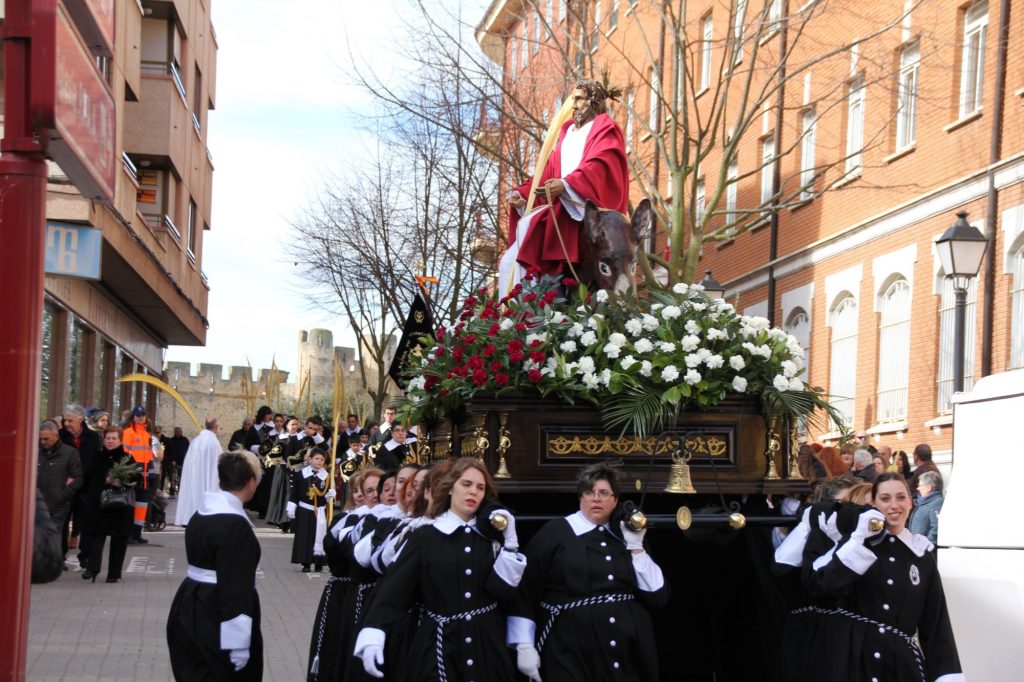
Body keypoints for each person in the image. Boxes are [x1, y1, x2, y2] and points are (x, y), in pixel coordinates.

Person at [354, 457, 526, 681]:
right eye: (466, 484)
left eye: (480, 487)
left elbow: (504, 591)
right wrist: (375, 630)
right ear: (450, 488)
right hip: (439, 645)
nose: (473, 491)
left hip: (487, 644)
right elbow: (394, 587)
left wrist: (510, 544)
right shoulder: (426, 536)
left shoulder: (490, 538)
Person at [508, 461, 669, 682]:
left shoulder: (626, 535)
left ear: (615, 500)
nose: (596, 498)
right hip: (569, 649)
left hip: (626, 652)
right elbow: (526, 589)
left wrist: (637, 547)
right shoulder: (556, 531)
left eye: (604, 493)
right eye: (589, 492)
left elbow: (657, 596)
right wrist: (524, 644)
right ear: (580, 497)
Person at [799, 473, 963, 681]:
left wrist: (946, 675)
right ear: (874, 505)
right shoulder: (857, 547)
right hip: (853, 664)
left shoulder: (922, 556)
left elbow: (936, 625)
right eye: (885, 499)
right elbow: (822, 585)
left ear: (911, 502)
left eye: (901, 497)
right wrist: (856, 539)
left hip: (900, 667)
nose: (894, 505)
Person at [499, 78, 629, 287]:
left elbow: (600, 163)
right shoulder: (567, 134)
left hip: (581, 208)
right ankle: (519, 313)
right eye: (573, 99)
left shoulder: (604, 128)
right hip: (559, 211)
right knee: (509, 261)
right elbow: (547, 172)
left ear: (593, 101)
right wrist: (524, 194)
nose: (574, 105)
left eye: (579, 99)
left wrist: (568, 185)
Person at [167, 451, 264, 681]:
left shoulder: (201, 513)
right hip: (216, 614)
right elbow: (235, 586)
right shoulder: (235, 525)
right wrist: (239, 643)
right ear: (251, 482)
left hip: (188, 603)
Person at [79, 426, 137, 583]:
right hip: (99, 504)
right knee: (96, 536)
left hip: (120, 506)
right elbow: (88, 478)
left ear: (120, 440)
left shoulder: (127, 458)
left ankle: (113, 573)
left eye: (113, 438)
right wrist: (104, 481)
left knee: (119, 539)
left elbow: (134, 480)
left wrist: (120, 481)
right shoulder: (97, 457)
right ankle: (93, 568)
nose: (110, 441)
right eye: (108, 438)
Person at [60, 403, 102, 564]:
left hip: (87, 486)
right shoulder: (60, 436)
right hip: (66, 487)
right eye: (65, 420)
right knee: (63, 522)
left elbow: (96, 460)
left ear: (80, 419)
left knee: (86, 523)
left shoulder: (92, 437)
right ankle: (60, 555)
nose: (66, 424)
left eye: (70, 420)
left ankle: (85, 556)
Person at [37, 421, 83, 561]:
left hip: (59, 503)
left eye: (46, 438)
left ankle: (52, 562)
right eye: (40, 439)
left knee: (54, 535)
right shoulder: (34, 452)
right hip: (38, 503)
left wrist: (63, 495)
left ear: (56, 436)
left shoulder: (69, 453)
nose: (42, 442)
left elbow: (78, 477)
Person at [287, 448, 334, 572]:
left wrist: (330, 496)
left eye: (322, 459)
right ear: (310, 459)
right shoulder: (301, 474)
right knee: (305, 536)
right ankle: (305, 562)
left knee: (319, 535)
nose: (319, 461)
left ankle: (318, 561)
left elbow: (326, 496)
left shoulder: (327, 477)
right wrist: (292, 506)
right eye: (317, 458)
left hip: (319, 511)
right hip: (304, 509)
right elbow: (294, 493)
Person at [175, 418, 224, 527]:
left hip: (194, 476)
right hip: (207, 478)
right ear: (215, 427)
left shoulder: (196, 440)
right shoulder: (214, 442)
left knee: (193, 493)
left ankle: (189, 517)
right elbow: (220, 461)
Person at [122, 406, 153, 544]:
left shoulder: (146, 434)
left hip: (144, 476)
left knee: (141, 505)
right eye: (138, 415)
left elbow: (149, 455)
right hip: (133, 473)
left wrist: (150, 472)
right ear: (133, 417)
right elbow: (125, 452)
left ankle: (137, 533)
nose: (141, 417)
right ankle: (128, 534)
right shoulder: (128, 432)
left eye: (143, 414)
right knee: (131, 504)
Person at [909, 471, 944, 544]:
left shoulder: (936, 503)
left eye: (920, 485)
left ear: (928, 488)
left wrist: (926, 545)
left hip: (924, 550)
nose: (918, 488)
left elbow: (936, 528)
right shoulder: (925, 502)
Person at [164, 426, 190, 496]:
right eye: (176, 431)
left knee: (182, 477)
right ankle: (172, 491)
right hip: (173, 462)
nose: (177, 433)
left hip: (183, 462)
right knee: (172, 477)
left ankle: (181, 491)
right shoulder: (171, 440)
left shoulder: (185, 440)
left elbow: (189, 451)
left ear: (181, 432)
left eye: (179, 431)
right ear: (174, 432)